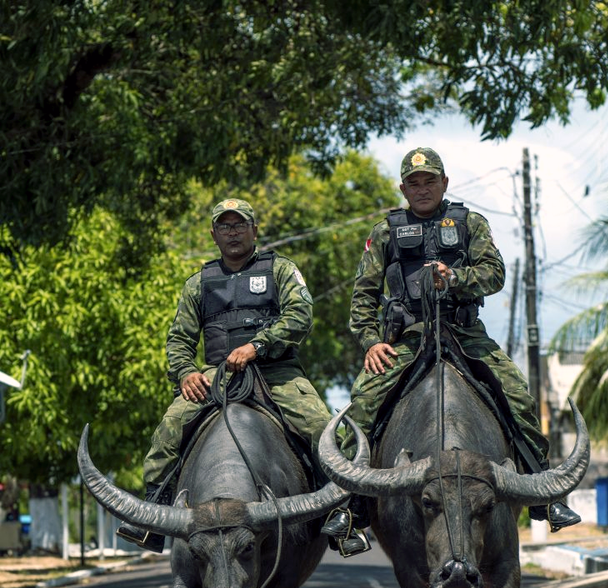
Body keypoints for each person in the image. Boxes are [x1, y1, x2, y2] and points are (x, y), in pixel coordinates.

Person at [322, 148, 580, 538]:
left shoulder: (469, 222)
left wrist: (454, 278)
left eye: (430, 181)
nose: (422, 189)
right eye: (414, 183)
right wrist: (372, 342)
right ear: (403, 188)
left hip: (464, 332)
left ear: (445, 183)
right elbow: (362, 297)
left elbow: (494, 274)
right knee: (361, 407)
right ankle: (350, 505)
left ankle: (544, 494)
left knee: (518, 397)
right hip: (407, 337)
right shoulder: (385, 231)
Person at [118, 197, 370, 556]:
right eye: (224, 226)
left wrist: (257, 346)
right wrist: (186, 372)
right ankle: (152, 516)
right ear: (213, 233)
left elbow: (300, 316)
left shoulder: (280, 270)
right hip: (216, 375)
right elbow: (178, 339)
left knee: (320, 427)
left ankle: (345, 515)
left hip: (276, 371)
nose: (232, 232)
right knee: (168, 429)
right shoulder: (198, 283)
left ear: (254, 230)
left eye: (239, 225)